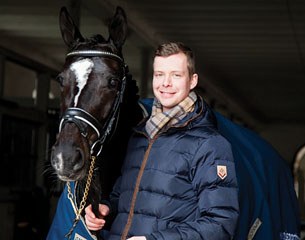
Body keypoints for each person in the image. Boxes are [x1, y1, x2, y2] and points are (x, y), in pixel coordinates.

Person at [85, 42, 239, 240]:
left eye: (176, 75)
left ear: (192, 81)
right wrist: (105, 210)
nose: (165, 83)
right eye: (159, 74)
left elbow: (221, 224)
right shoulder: (139, 136)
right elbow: (122, 199)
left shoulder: (209, 144)